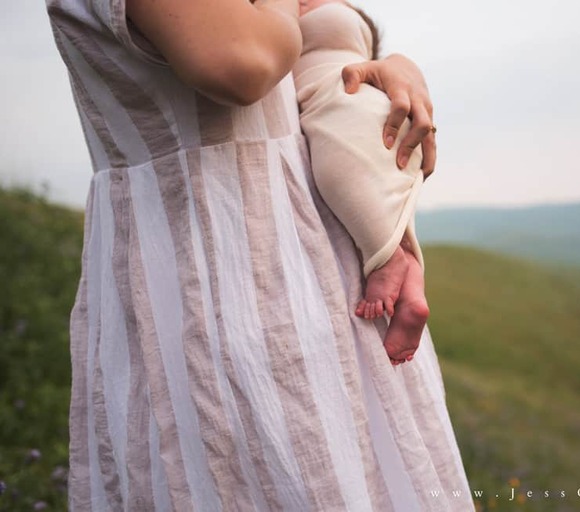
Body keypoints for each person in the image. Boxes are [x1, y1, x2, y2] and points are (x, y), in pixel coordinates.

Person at [45, 0, 473, 509]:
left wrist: (395, 68)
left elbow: (311, 78)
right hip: (216, 275)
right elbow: (241, 62)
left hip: (337, 279)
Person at [294, 0, 429, 366]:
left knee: (338, 174)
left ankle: (384, 260)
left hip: (347, 101)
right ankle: (412, 285)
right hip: (368, 113)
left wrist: (402, 64)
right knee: (386, 208)